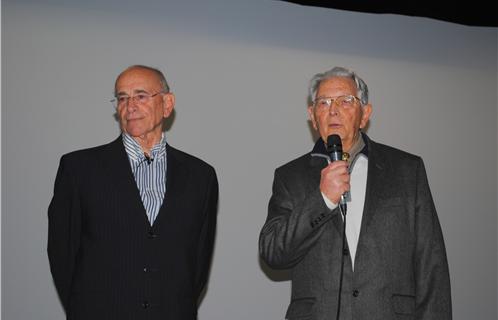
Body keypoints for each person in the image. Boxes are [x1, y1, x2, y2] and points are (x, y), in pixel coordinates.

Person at [259, 67, 451, 320]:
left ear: (365, 114)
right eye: (324, 102)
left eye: (346, 101)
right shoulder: (290, 177)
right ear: (312, 116)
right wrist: (323, 199)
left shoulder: (406, 170)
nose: (333, 109)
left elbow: (431, 265)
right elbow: (273, 252)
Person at [48, 65, 218, 320]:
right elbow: (62, 254)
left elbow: (198, 264)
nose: (130, 106)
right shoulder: (79, 169)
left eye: (140, 96)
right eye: (122, 98)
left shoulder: (200, 176)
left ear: (167, 103)